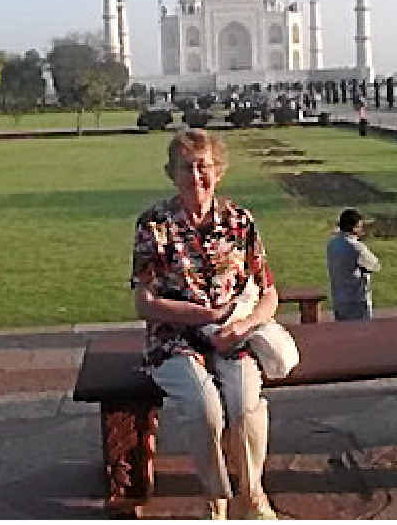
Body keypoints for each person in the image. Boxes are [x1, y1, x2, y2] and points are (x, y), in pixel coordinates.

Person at [131, 129, 278, 520]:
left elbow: (269, 293)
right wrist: (204, 316)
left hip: (233, 335)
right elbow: (144, 303)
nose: (196, 177)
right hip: (175, 338)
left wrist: (242, 327)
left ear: (219, 171)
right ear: (171, 173)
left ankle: (253, 493)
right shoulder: (155, 225)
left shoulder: (239, 221)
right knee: (205, 408)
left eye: (203, 167)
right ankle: (217, 498)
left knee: (246, 405)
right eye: (186, 168)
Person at [326, 208, 382, 321]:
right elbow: (375, 265)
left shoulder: (332, 244)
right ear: (354, 228)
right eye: (360, 227)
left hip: (338, 298)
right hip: (357, 301)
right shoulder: (356, 247)